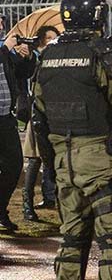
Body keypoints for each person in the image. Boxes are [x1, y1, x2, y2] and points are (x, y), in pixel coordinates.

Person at [32, 0, 112, 279]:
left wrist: (51, 167)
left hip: (65, 164)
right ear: (97, 15)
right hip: (101, 160)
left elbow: (38, 120)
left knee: (72, 241)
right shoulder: (103, 52)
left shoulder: (47, 57)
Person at [0, 16, 35, 231]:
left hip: (5, 118)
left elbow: (24, 73)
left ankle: (0, 208)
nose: (1, 25)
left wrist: (27, 56)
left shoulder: (4, 50)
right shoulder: (3, 48)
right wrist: (5, 49)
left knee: (13, 166)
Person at [22, 26, 60, 222]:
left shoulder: (57, 58)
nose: (53, 41)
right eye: (50, 38)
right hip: (38, 115)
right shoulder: (37, 59)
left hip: (55, 115)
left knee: (53, 159)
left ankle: (50, 197)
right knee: (35, 160)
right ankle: (27, 204)